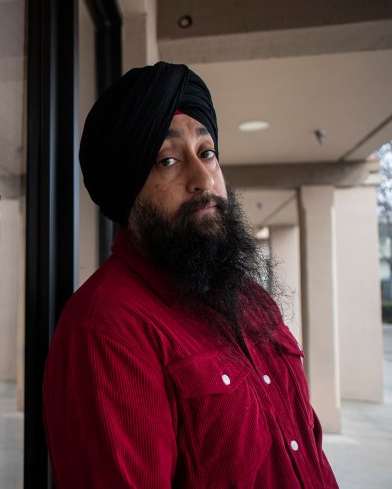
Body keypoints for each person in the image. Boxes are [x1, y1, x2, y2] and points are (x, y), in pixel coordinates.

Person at [43, 62, 338, 488]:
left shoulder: (252, 300)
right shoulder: (106, 330)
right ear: (128, 190)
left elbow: (305, 448)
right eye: (167, 160)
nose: (204, 179)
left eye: (207, 152)